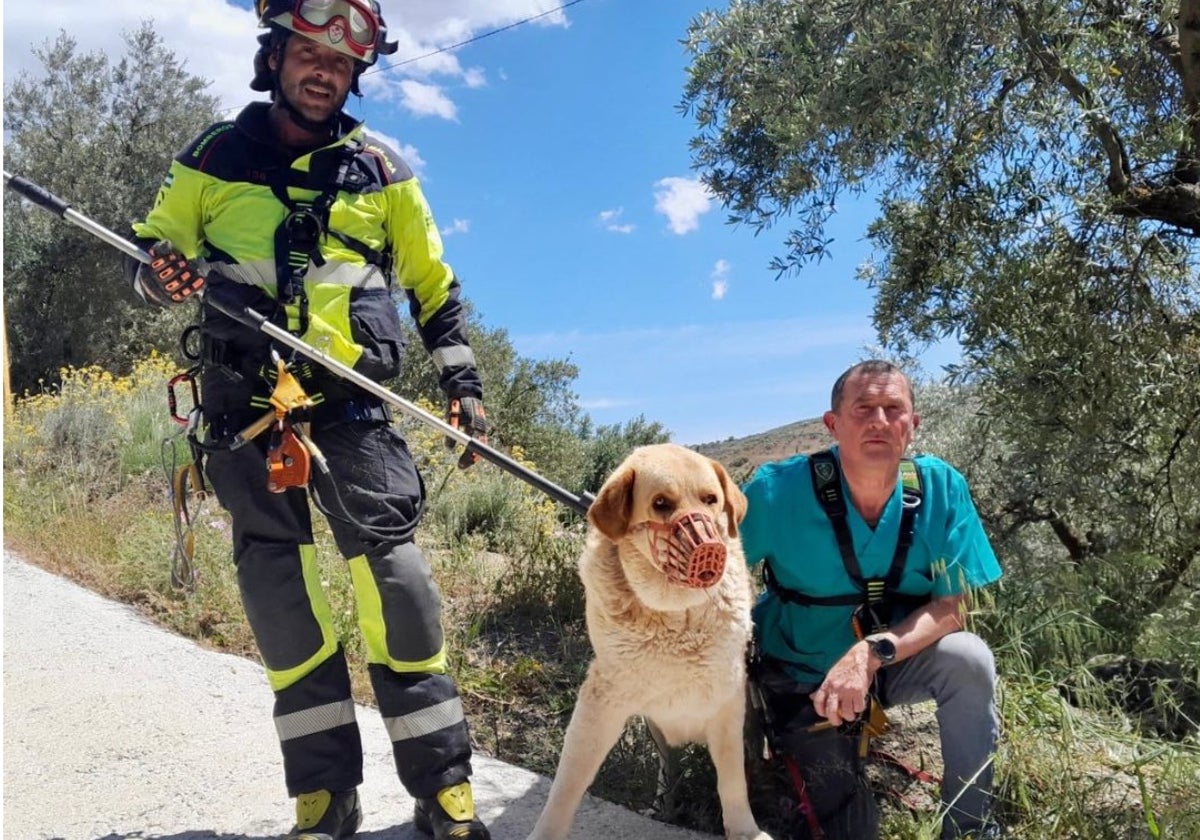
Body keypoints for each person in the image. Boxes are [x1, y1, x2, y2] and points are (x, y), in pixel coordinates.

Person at [125, 2, 493, 838]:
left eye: (340, 60)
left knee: (401, 592)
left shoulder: (383, 169)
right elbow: (151, 257)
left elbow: (433, 285)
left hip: (356, 409)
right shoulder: (214, 156)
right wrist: (162, 277)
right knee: (283, 606)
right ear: (277, 58)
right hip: (246, 415)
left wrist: (462, 383)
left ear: (354, 75)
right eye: (308, 53)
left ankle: (444, 790)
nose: (323, 70)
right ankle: (326, 797)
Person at [741, 360, 1002, 840]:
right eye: (863, 408)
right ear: (833, 424)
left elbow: (950, 610)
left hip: (889, 663)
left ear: (913, 425)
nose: (879, 420)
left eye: (893, 409)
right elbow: (717, 575)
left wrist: (870, 653)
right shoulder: (775, 492)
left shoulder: (943, 490)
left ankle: (969, 827)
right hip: (800, 675)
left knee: (970, 658)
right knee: (851, 829)